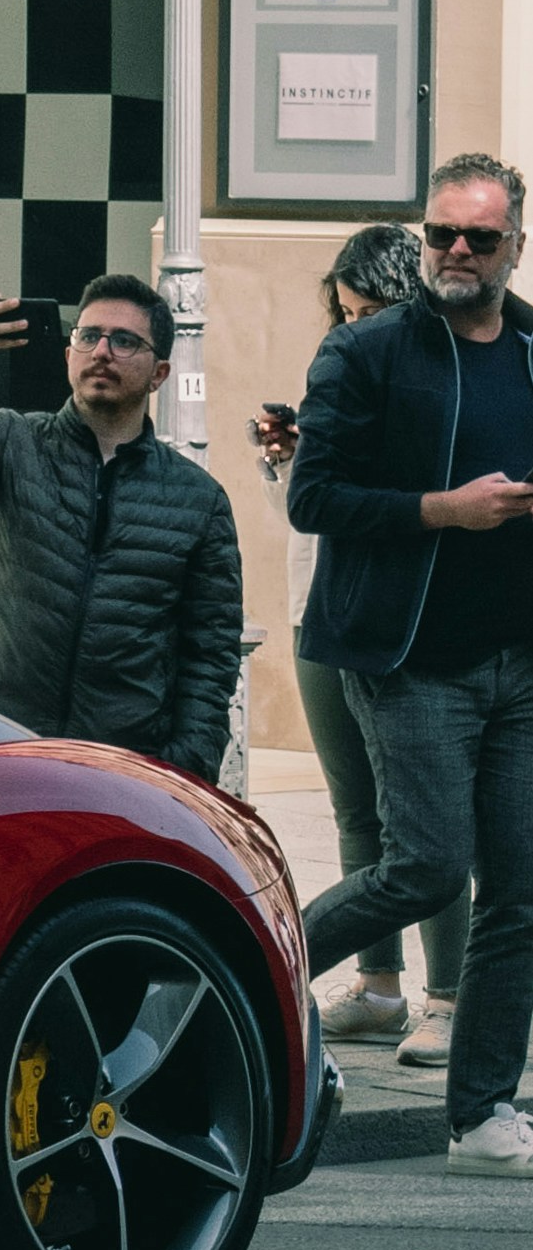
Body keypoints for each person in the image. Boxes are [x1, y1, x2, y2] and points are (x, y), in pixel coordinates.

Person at [290, 151, 533, 1171]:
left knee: (518, 890)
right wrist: (443, 510)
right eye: (439, 233)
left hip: (516, 665)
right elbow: (313, 497)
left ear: (512, 244)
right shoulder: (368, 352)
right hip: (407, 659)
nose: (455, 252)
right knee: (425, 864)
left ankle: (479, 1115)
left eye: (478, 237)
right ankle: (249, 953)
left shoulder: (528, 349)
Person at [252, 222, 466, 1062]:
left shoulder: (434, 382)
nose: (351, 329)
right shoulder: (341, 375)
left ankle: (448, 994)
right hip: (321, 612)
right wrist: (289, 463)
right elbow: (305, 522)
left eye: (367, 309)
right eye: (340, 314)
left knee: (433, 824)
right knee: (357, 813)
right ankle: (378, 987)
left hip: (407, 623)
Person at [0, 271, 245, 777]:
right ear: (69, 356)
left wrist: (186, 767)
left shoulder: (198, 500)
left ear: (159, 373)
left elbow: (210, 655)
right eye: (89, 336)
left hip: (123, 769)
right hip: (1, 746)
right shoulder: (11, 443)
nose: (102, 351)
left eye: (125, 341)